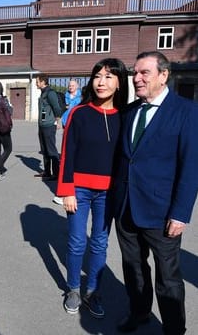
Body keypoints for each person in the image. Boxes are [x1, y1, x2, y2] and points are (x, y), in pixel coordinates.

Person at [110, 51, 198, 334]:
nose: (136, 78)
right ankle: (139, 312)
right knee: (133, 268)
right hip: (126, 208)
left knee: (168, 278)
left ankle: (174, 329)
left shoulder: (186, 111)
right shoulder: (130, 111)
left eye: (144, 72)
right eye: (134, 73)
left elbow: (191, 167)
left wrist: (180, 213)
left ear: (163, 75)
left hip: (162, 214)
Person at [56, 58, 129, 318]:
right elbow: (68, 153)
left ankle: (92, 291)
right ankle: (73, 288)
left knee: (99, 243)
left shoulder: (125, 116)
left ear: (120, 82)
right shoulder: (80, 112)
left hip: (108, 193)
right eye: (97, 76)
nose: (101, 82)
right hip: (80, 190)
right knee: (77, 242)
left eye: (109, 76)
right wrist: (66, 190)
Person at [35, 74, 63, 181]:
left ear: (43, 82)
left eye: (37, 81)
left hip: (49, 126)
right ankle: (47, 172)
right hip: (41, 125)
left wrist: (58, 120)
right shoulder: (43, 93)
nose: (36, 83)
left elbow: (56, 107)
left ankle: (56, 173)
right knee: (44, 149)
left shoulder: (50, 93)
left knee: (51, 150)